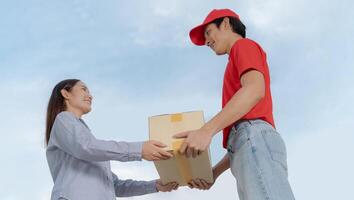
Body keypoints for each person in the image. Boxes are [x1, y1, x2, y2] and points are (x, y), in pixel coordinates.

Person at [174, 9, 295, 200]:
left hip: (254, 137)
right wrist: (214, 173)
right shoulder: (235, 61)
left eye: (208, 32)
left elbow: (255, 90)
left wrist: (206, 131)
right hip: (248, 142)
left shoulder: (243, 46)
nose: (206, 41)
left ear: (226, 24)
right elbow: (241, 138)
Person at [45, 79, 178, 200]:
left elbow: (116, 186)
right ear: (66, 94)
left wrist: (155, 185)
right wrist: (139, 149)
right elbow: (85, 146)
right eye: (84, 89)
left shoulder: (88, 141)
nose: (90, 96)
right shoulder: (63, 119)